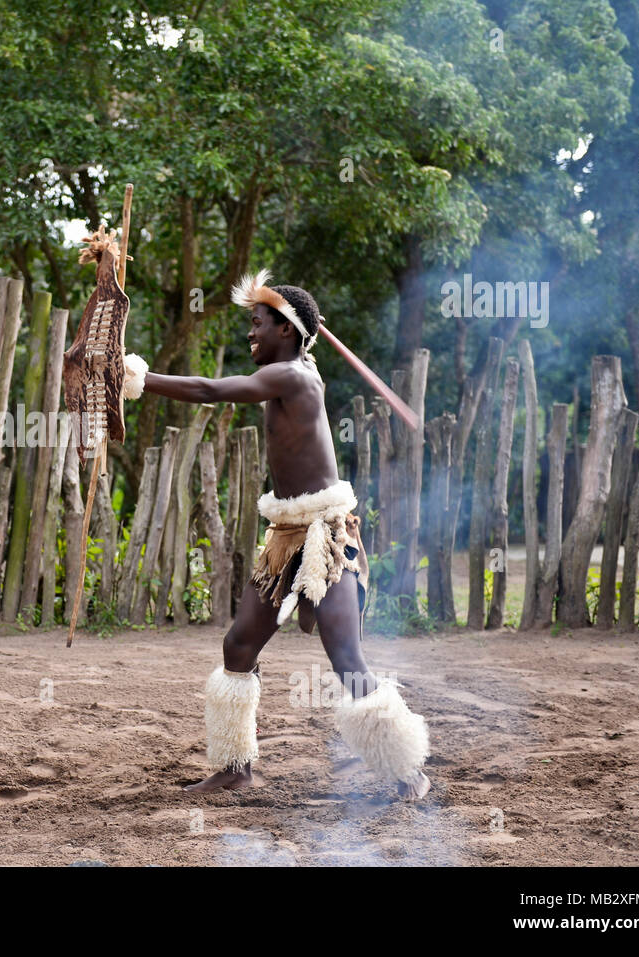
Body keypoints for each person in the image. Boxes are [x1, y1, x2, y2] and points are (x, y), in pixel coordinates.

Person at [120, 269, 431, 800]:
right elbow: (231, 377)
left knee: (347, 659)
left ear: (287, 331)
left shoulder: (295, 377)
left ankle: (407, 773)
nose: (251, 333)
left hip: (326, 538)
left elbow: (210, 389)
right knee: (239, 644)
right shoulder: (293, 365)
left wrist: (137, 379)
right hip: (285, 535)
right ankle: (234, 768)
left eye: (259, 322)